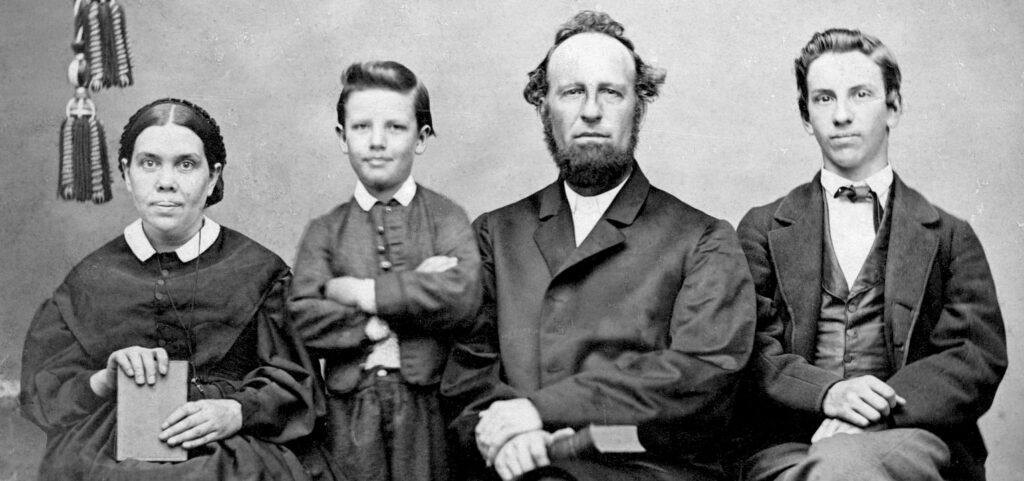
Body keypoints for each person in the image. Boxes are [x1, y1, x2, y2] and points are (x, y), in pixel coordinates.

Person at [441, 11, 755, 481]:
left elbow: (700, 379)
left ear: (639, 107)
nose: (591, 110)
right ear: (544, 107)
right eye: (572, 92)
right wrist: (509, 438)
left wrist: (540, 415)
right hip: (510, 468)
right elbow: (468, 378)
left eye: (611, 92)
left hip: (646, 468)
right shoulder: (494, 234)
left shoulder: (703, 239)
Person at [732, 29, 1007, 481]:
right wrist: (827, 394)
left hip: (911, 437)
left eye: (860, 94)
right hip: (788, 444)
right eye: (823, 99)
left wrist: (880, 409)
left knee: (840, 471)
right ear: (806, 117)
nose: (841, 115)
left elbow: (973, 359)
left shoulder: (950, 236)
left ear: (893, 107)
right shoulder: (762, 229)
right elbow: (747, 349)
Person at [19, 98, 328, 481]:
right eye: (149, 163)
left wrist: (237, 411)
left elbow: (297, 383)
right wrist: (104, 379)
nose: (166, 181)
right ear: (126, 174)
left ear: (212, 176)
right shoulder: (89, 279)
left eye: (186, 164)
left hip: (234, 444)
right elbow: (45, 394)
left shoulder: (261, 272)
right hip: (109, 447)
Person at [287, 61, 482, 481]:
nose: (377, 142)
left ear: (421, 137)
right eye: (361, 127)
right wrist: (378, 324)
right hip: (347, 411)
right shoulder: (325, 231)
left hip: (429, 406)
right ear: (342, 137)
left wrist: (359, 291)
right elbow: (302, 317)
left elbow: (463, 296)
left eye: (395, 127)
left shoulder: (446, 218)